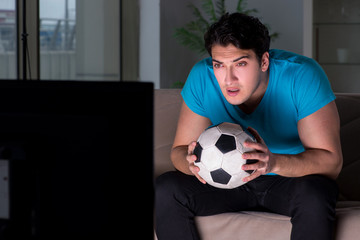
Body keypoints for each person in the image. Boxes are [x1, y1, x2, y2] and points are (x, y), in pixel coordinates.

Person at [155, 12, 343, 240]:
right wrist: (190, 164)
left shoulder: (302, 75)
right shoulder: (202, 78)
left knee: (316, 193)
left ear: (264, 61)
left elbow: (331, 162)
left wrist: (273, 162)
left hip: (288, 181)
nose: (228, 79)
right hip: (226, 183)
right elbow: (179, 151)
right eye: (219, 65)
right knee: (166, 187)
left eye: (240, 63)